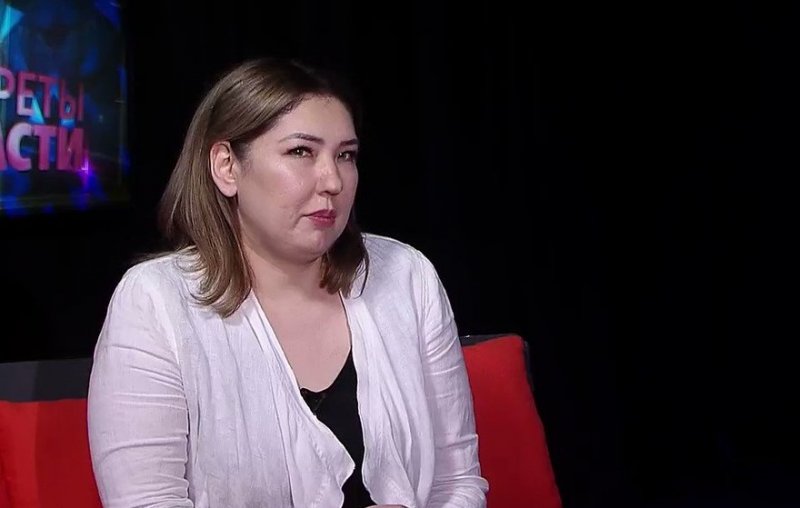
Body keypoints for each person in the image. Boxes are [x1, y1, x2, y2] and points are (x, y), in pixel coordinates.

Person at [87, 57, 488, 508]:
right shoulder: (154, 301)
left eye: (346, 155)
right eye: (301, 152)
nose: (333, 180)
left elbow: (458, 482)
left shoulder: (407, 276)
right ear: (226, 166)